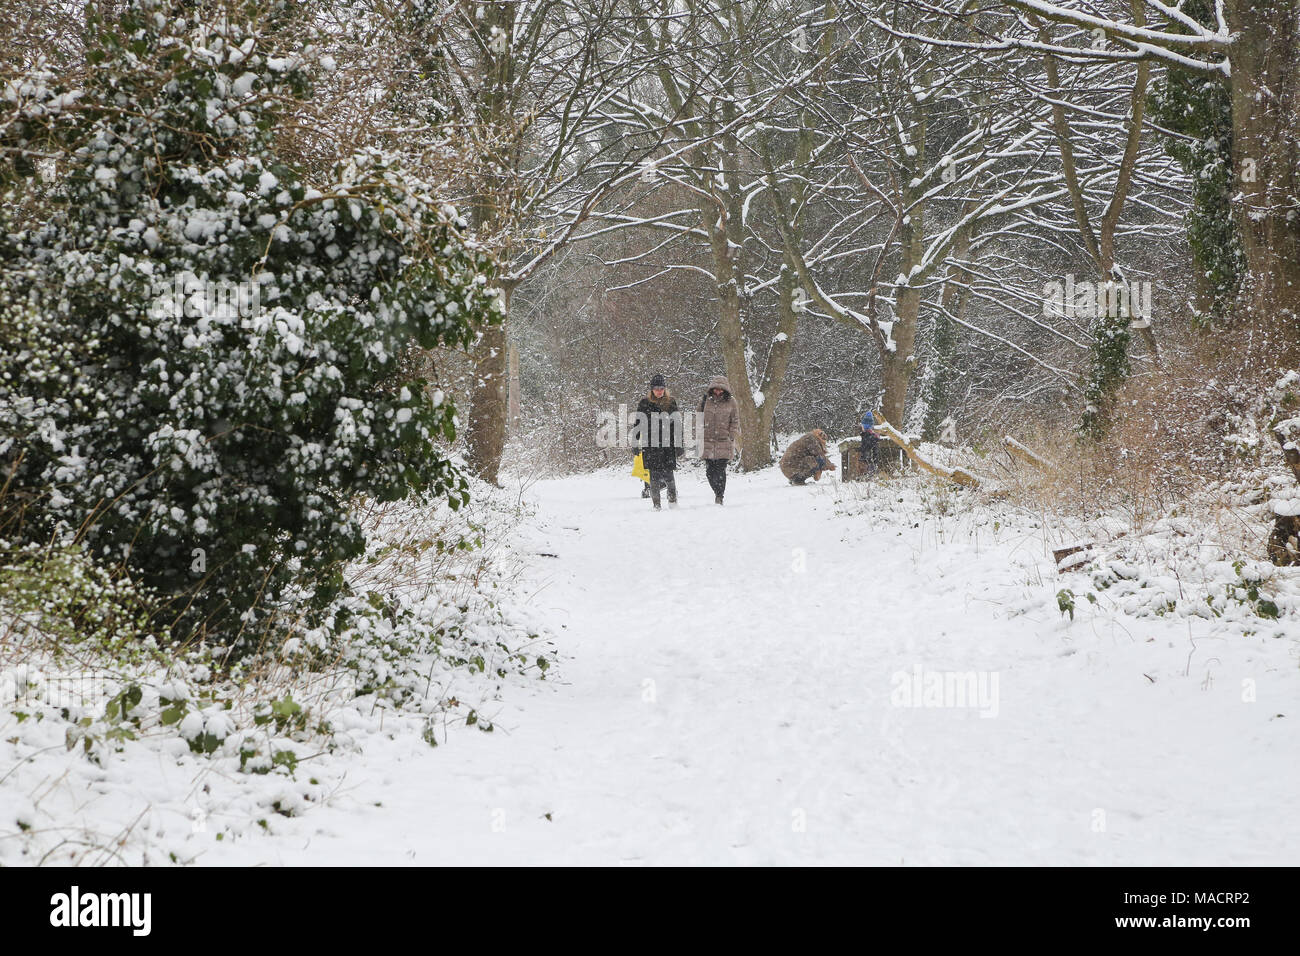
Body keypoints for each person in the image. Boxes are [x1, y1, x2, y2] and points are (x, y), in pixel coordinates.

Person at [636, 374, 683, 509]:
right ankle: (656, 504)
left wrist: (679, 444)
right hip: (650, 444)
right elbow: (638, 423)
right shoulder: (644, 403)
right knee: (654, 475)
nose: (659, 391)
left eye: (661, 388)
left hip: (667, 443)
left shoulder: (670, 402)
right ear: (652, 389)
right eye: (656, 388)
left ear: (664, 388)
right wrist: (635, 441)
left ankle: (673, 500)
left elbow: (677, 424)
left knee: (669, 473)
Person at [699, 374, 740, 505]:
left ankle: (719, 496)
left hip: (724, 440)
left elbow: (735, 420)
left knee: (720, 470)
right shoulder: (705, 400)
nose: (718, 391)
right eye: (716, 389)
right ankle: (717, 492)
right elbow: (697, 417)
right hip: (707, 440)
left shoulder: (731, 401)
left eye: (720, 389)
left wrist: (732, 435)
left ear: (725, 390)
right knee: (710, 472)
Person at [859, 409, 881, 477]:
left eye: (862, 426)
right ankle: (871, 473)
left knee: (869, 466)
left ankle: (870, 474)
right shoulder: (871, 435)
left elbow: (866, 447)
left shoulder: (868, 436)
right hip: (871, 460)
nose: (861, 427)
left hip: (869, 461)